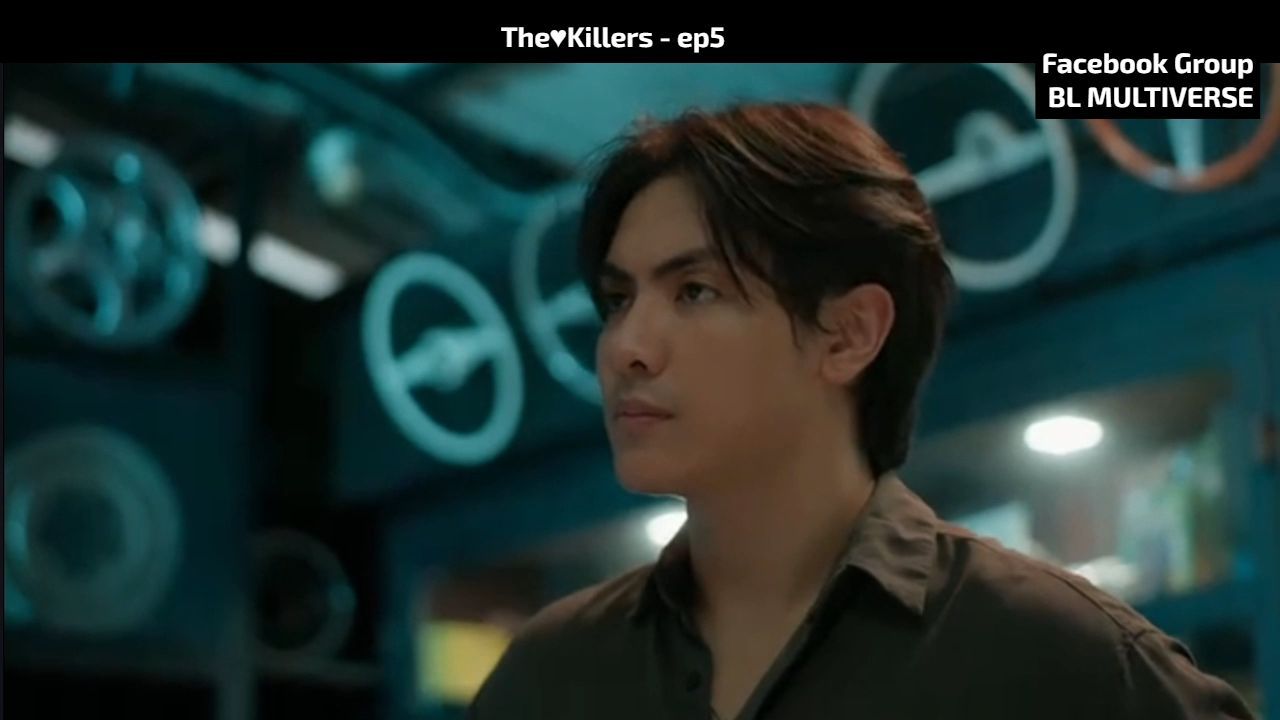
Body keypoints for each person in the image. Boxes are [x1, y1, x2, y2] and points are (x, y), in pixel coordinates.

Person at [466, 102, 1256, 719]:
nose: (625, 347)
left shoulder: (1052, 655)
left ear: (848, 334)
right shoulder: (550, 679)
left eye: (695, 291)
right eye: (618, 299)